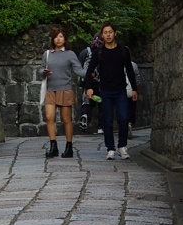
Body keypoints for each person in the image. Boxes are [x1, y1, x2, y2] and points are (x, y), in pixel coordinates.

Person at [85, 22, 138, 160]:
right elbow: (89, 71)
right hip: (105, 91)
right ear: (102, 35)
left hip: (120, 89)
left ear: (115, 33)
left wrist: (134, 89)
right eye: (105, 32)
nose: (108, 35)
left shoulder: (122, 50)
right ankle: (110, 148)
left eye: (110, 32)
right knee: (107, 120)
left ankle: (122, 146)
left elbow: (130, 71)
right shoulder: (99, 53)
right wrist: (89, 88)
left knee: (123, 118)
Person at [40, 25, 84, 159]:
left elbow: (78, 70)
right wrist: (44, 72)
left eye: (61, 37)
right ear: (53, 39)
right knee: (49, 117)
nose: (58, 39)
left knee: (66, 119)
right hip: (50, 89)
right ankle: (53, 146)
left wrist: (91, 74)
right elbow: (41, 69)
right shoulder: (47, 54)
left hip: (65, 89)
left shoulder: (70, 54)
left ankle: (69, 146)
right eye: (56, 37)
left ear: (65, 39)